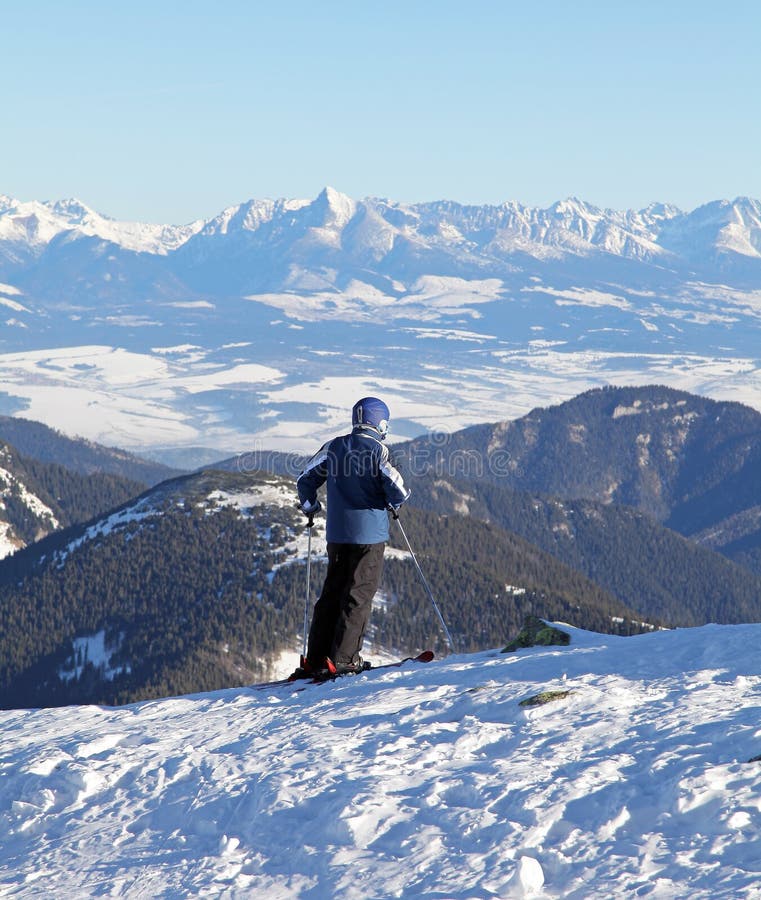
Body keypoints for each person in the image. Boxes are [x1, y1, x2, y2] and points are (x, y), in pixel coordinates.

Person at [293, 396, 410, 678]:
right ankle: (344, 660)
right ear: (380, 422)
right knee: (357, 595)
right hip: (369, 536)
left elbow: (304, 479)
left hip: (337, 534)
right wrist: (390, 501)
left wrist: (310, 506)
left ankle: (317, 658)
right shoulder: (378, 451)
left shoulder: (334, 447)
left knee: (331, 593)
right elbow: (399, 490)